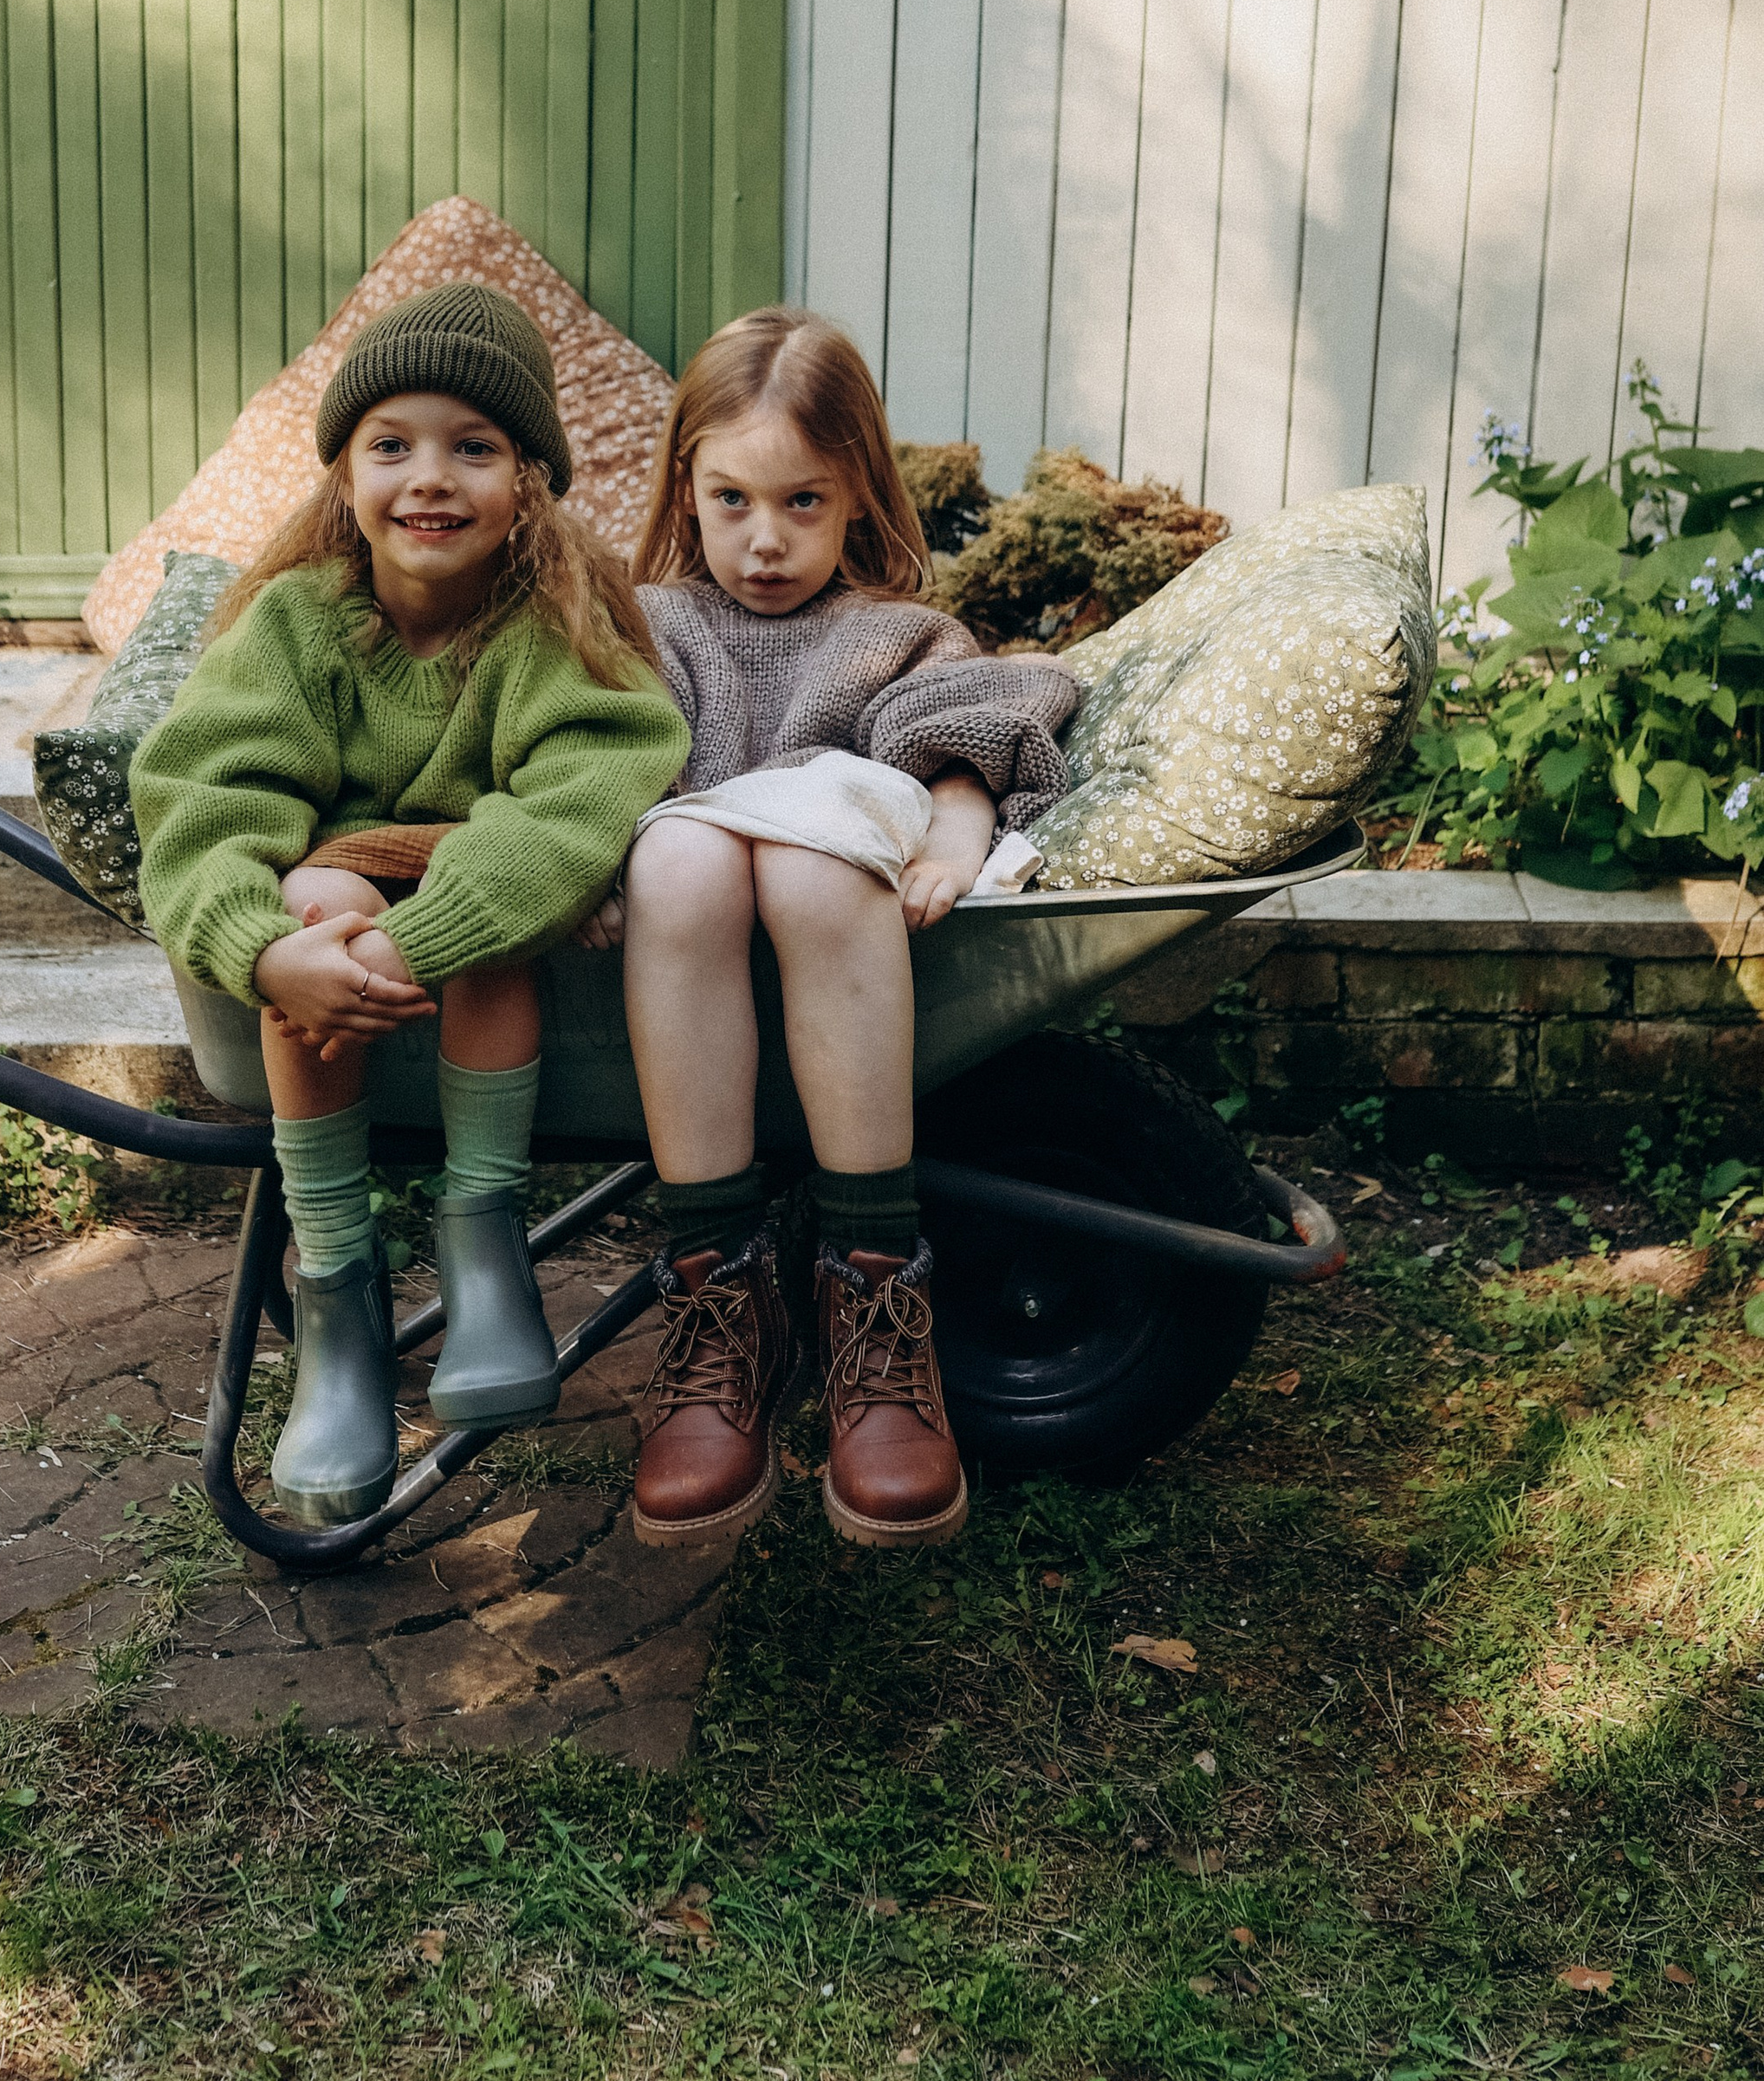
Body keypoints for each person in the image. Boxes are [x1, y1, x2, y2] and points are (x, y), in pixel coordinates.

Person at [129, 282, 688, 1528]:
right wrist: (267, 953)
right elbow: (202, 794)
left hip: (481, 937)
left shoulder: (551, 624)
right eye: (392, 445)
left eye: (473, 447)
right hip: (328, 938)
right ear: (341, 476)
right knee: (314, 889)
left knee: (486, 900)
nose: (429, 478)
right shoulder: (296, 626)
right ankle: (336, 1290)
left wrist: (413, 933)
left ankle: (483, 1245)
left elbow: (585, 790)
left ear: (529, 481)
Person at [586, 308, 1079, 1553]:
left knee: (813, 863)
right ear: (684, 488)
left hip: (833, 923)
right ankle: (718, 1293)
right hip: (684, 931)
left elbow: (964, 720)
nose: (764, 539)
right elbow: (595, 765)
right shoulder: (653, 626)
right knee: (685, 851)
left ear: (858, 490)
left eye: (803, 501)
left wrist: (960, 826)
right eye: (732, 499)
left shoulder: (890, 631)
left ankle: (872, 1292)